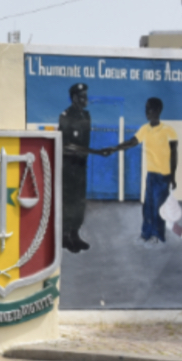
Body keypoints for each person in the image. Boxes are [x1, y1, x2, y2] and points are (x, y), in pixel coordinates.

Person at [109, 98, 178, 247]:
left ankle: (158, 235)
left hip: (163, 176)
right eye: (146, 109)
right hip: (151, 175)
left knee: (159, 208)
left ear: (158, 111)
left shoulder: (169, 131)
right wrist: (114, 148)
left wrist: (173, 177)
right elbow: (131, 142)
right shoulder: (144, 129)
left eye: (149, 109)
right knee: (147, 207)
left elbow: (174, 156)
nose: (146, 112)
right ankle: (146, 234)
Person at [59, 84, 109, 253]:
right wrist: (96, 152)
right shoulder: (65, 116)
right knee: (69, 200)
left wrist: (91, 152)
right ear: (74, 98)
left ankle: (75, 234)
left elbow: (84, 143)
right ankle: (65, 236)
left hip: (81, 166)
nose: (86, 99)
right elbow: (66, 145)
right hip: (68, 167)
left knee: (80, 201)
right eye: (82, 96)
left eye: (86, 96)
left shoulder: (86, 116)